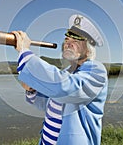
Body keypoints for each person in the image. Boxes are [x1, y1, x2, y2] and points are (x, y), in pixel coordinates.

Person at [12, 14, 108, 145]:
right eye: (67, 40)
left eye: (75, 41)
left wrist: (25, 53)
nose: (68, 44)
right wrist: (31, 90)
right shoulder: (66, 72)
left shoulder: (97, 71)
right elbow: (46, 104)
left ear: (89, 48)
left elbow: (65, 89)